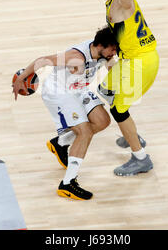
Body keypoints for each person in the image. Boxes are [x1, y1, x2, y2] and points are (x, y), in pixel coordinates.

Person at [56, 0, 159, 176]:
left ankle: (141, 158)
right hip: (130, 59)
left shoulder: (123, 0)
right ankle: (132, 133)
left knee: (118, 110)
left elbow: (127, 2)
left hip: (141, 62)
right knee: (105, 89)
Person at [13, 27, 118, 200]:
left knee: (102, 121)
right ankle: (68, 184)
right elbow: (43, 61)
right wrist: (21, 78)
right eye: (112, 49)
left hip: (78, 88)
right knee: (84, 133)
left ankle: (60, 142)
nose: (114, 53)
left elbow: (113, 68)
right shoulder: (75, 57)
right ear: (100, 45)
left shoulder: (104, 55)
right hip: (58, 93)